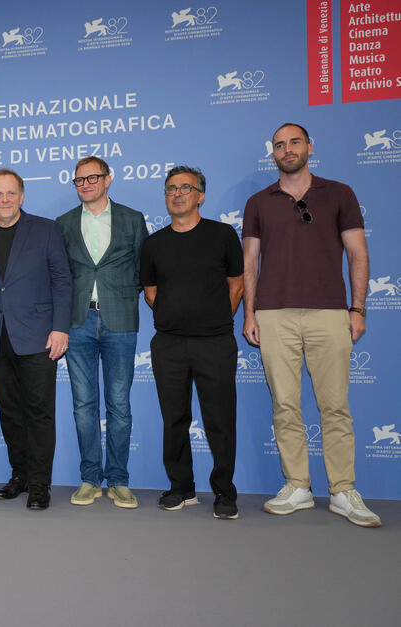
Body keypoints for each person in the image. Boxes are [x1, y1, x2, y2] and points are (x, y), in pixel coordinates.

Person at [243, 123, 380, 527]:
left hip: (330, 313)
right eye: (280, 145)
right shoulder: (258, 202)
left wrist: (357, 310)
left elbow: (358, 254)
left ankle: (342, 490)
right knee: (285, 405)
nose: (287, 149)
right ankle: (298, 486)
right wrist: (250, 313)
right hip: (273, 314)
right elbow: (250, 264)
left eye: (294, 142)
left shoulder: (339, 193)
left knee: (335, 406)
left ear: (309, 147)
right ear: (273, 153)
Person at [140, 166, 242, 520]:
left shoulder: (223, 235)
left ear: (201, 195)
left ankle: (225, 493)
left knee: (220, 420)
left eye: (186, 187)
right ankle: (181, 487)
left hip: (215, 342)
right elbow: (151, 293)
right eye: (171, 189)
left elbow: (236, 284)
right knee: (174, 419)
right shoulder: (153, 244)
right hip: (169, 343)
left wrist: (210, 319)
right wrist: (177, 315)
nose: (178, 194)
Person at [0, 169, 72, 510]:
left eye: (11, 193)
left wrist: (60, 327)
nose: (5, 199)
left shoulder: (46, 229)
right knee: (10, 412)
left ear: (22, 196)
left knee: (39, 413)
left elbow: (62, 280)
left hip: (39, 338)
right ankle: (20, 476)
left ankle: (40, 485)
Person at [57, 157, 147, 509]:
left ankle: (119, 480)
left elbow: (144, 268)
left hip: (121, 321)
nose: (85, 184)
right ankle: (90, 478)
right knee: (83, 405)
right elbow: (59, 274)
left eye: (93, 177)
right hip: (77, 323)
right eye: (79, 180)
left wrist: (120, 294)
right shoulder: (63, 223)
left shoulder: (132, 219)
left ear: (108, 179)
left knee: (120, 405)